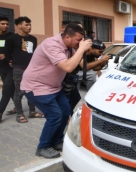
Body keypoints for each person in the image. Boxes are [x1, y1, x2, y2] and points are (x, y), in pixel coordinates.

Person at [21, 23, 92, 159]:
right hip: (37, 87)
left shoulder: (70, 46)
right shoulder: (51, 45)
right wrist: (80, 50)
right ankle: (43, 147)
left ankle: (56, 141)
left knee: (65, 112)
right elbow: (67, 67)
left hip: (54, 87)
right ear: (67, 37)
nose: (80, 43)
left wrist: (82, 50)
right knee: (55, 116)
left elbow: (80, 64)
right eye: (78, 40)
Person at [6, 16, 44, 123]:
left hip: (31, 69)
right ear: (19, 26)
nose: (29, 27)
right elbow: (8, 53)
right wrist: (11, 63)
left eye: (30, 24)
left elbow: (33, 54)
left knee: (31, 91)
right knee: (19, 92)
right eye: (26, 25)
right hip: (18, 69)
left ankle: (32, 112)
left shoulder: (33, 39)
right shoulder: (12, 38)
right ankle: (19, 114)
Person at [0, 16, 15, 122]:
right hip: (2, 68)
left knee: (6, 90)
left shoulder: (12, 37)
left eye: (7, 24)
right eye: (2, 24)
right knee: (11, 90)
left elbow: (18, 51)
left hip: (11, 67)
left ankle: (0, 112)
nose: (5, 26)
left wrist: (8, 57)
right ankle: (17, 107)